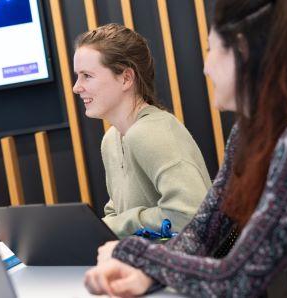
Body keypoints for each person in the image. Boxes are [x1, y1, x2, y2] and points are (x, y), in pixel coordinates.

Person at [84, 0, 287, 296]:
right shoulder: (247, 134)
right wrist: (147, 275)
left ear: (241, 51)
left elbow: (238, 278)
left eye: (210, 50)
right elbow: (202, 233)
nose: (205, 68)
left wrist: (135, 254)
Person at [72, 24, 212, 239]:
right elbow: (116, 213)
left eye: (87, 76)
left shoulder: (150, 132)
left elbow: (190, 215)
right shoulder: (111, 140)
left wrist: (118, 224)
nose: (76, 87)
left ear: (126, 78)